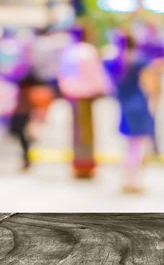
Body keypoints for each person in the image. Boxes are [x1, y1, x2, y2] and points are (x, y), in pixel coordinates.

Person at [58, 26, 113, 178]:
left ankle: (79, 165)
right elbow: (96, 74)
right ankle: (85, 166)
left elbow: (62, 74)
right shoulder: (87, 51)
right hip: (85, 95)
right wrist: (104, 89)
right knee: (86, 132)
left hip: (72, 94)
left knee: (77, 131)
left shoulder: (69, 51)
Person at [105, 35, 157, 193]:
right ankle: (133, 181)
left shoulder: (113, 62)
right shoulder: (140, 60)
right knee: (138, 146)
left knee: (129, 146)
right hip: (139, 105)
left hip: (124, 105)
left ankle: (127, 179)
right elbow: (151, 85)